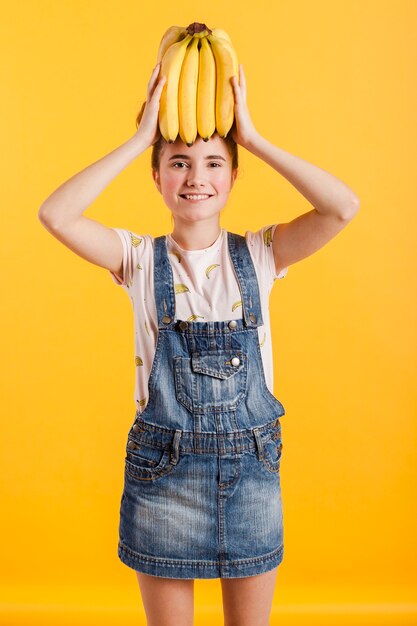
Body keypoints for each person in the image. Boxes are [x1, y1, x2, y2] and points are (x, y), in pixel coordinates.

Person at [38, 62, 360, 626]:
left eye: (214, 163)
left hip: (253, 474)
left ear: (234, 178)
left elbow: (342, 207)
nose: (196, 177)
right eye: (178, 162)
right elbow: (55, 214)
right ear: (157, 176)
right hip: (164, 476)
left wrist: (253, 139)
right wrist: (141, 137)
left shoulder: (262, 254)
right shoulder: (136, 259)